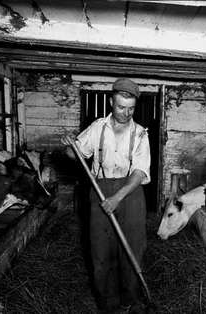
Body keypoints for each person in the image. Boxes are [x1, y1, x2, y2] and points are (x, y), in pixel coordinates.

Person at [61, 78, 151, 313]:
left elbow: (140, 172)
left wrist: (117, 198)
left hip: (130, 194)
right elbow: (77, 154)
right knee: (101, 249)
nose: (125, 113)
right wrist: (70, 148)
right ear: (112, 102)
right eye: (121, 107)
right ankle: (107, 303)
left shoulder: (141, 134)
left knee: (132, 247)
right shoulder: (98, 127)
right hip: (100, 190)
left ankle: (130, 300)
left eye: (131, 108)